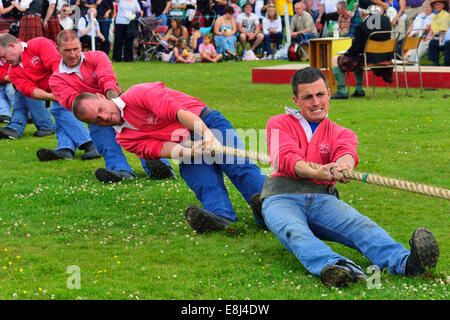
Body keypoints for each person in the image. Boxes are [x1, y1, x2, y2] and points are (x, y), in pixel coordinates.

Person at [261, 66, 440, 288]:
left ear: (329, 93)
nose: (316, 102)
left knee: (361, 225)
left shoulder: (342, 132)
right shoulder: (278, 123)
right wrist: (315, 172)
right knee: (295, 232)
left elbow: (346, 152)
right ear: (296, 100)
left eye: (320, 94)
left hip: (322, 199)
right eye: (308, 97)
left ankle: (406, 264)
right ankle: (336, 266)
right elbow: (287, 158)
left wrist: (344, 165)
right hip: (281, 196)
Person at [71, 82, 267, 233]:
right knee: (198, 176)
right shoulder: (125, 139)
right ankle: (222, 217)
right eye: (96, 120)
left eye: (100, 110)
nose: (104, 117)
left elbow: (180, 113)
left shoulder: (139, 94)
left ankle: (270, 208)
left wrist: (208, 136)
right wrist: (191, 152)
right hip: (185, 143)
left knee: (237, 166)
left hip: (205, 121)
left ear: (101, 96)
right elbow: (162, 148)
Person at [49, 29, 176, 182]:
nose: (72, 54)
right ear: (58, 50)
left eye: (75, 49)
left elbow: (107, 78)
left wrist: (112, 102)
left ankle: (161, 167)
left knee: (142, 132)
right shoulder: (56, 79)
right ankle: (120, 171)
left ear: (81, 47)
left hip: (118, 102)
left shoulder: (97, 56)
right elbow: (73, 102)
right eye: (67, 50)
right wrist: (99, 107)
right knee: (104, 139)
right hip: (95, 114)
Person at [0, 33, 100, 161]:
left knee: (57, 109)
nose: (3, 61)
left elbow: (57, 66)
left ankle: (90, 144)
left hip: (73, 78)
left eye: (3, 56)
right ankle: (66, 149)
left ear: (12, 46)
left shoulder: (38, 44)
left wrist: (59, 92)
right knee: (59, 109)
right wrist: (52, 96)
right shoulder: (13, 73)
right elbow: (31, 91)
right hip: (56, 90)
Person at [330, 5, 393, 99]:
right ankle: (359, 90)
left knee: (335, 59)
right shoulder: (387, 22)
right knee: (357, 57)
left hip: (370, 59)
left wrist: (347, 53)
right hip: (386, 58)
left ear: (362, 13)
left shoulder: (361, 27)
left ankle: (342, 91)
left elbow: (356, 48)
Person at [425, 0, 450, 65]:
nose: (437, 6)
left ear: (443, 5)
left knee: (448, 43)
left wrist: (435, 36)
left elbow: (443, 29)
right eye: (435, 5)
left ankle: (447, 63)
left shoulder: (447, 15)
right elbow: (432, 28)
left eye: (439, 4)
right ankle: (435, 62)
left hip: (445, 37)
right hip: (438, 37)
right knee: (433, 42)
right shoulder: (434, 17)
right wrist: (429, 36)